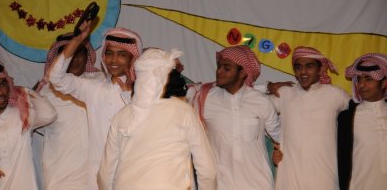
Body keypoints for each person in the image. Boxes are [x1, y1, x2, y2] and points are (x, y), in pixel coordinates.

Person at [98, 48, 217, 190]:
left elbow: (105, 175)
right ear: (164, 77)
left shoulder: (121, 115)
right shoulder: (183, 112)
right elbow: (207, 170)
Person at [48, 21, 142, 190]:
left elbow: (142, 130)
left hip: (132, 175)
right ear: (103, 57)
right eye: (109, 53)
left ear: (132, 58)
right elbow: (56, 78)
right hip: (98, 178)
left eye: (122, 54)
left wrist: (129, 96)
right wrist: (76, 41)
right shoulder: (93, 88)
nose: (114, 60)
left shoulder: (144, 93)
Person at [188, 45, 280, 190]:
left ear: (243, 72)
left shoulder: (261, 101)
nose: (219, 71)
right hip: (221, 184)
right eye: (219, 66)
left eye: (226, 68)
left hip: (259, 184)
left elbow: (279, 136)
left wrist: (279, 149)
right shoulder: (205, 99)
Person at [270, 46, 350, 190]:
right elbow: (258, 111)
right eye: (298, 67)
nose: (303, 72)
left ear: (320, 69)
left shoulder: (336, 94)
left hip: (324, 177)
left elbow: (359, 117)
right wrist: (277, 143)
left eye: (309, 66)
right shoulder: (284, 93)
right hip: (290, 178)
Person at [34, 33, 103, 190]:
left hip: (98, 176)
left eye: (79, 53)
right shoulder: (45, 90)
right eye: (69, 54)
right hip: (62, 174)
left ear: (87, 57)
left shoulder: (101, 83)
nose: (73, 59)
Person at [0, 58, 57, 189]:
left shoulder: (22, 114)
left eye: (3, 84)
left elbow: (50, 114)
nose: (0, 92)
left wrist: (24, 91)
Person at [338, 53, 387, 190]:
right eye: (358, 79)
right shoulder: (346, 117)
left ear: (384, 83)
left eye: (368, 79)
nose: (361, 85)